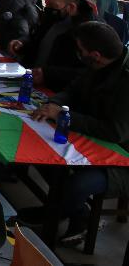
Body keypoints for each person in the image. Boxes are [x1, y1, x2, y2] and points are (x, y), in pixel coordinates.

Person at [27, 21, 129, 247]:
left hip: (121, 159)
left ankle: (59, 215)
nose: (78, 54)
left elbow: (115, 132)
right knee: (38, 154)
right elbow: (73, 90)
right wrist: (53, 104)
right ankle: (71, 212)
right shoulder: (98, 67)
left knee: (78, 185)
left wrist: (66, 116)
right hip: (94, 138)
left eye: (81, 51)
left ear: (95, 55)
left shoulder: (125, 81)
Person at [12, 0, 99, 92]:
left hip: (55, 90)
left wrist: (48, 74)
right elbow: (35, 38)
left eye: (53, 6)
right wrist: (22, 43)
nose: (48, 9)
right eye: (47, 5)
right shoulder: (51, 16)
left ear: (71, 7)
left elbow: (85, 72)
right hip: (29, 80)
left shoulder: (89, 32)